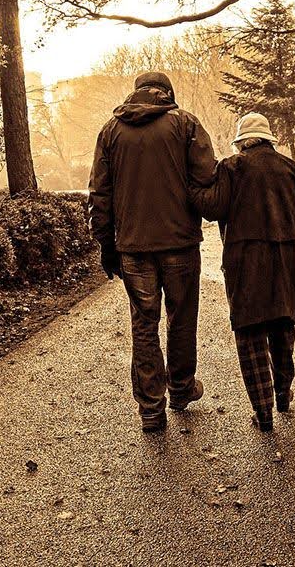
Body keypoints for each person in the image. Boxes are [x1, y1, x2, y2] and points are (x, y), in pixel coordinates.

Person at [88, 72, 217, 432]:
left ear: (135, 94)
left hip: (134, 248)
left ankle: (150, 409)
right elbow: (206, 178)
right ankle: (180, 388)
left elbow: (100, 192)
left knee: (144, 325)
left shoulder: (111, 130)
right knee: (182, 318)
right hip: (180, 244)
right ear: (167, 94)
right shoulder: (186, 124)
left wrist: (105, 243)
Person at [190, 112, 295, 431]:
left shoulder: (232, 167)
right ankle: (283, 394)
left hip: (245, 258)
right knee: (282, 322)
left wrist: (189, 182)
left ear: (242, 142)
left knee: (250, 329)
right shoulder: (293, 169)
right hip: (287, 257)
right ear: (269, 139)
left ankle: (264, 411)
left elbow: (213, 209)